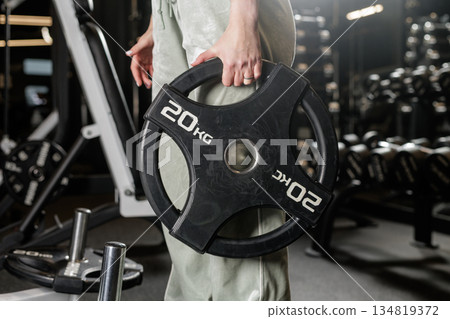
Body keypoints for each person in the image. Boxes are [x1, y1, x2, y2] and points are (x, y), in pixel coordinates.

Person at [127, 0, 296, 301]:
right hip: (176, 12)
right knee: (180, 188)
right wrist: (159, 22)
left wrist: (244, 19)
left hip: (227, 9)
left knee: (234, 179)